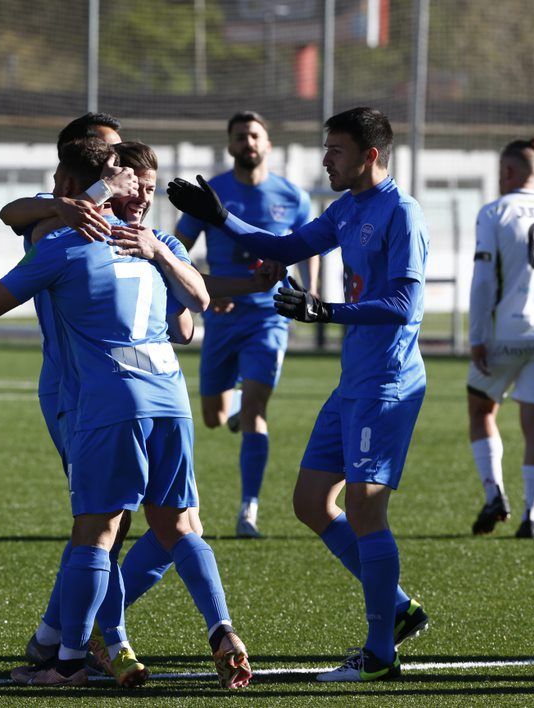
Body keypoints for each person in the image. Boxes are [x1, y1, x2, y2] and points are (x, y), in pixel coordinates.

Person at [0, 137, 253, 690]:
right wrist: (159, 256)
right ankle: (222, 630)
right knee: (180, 526)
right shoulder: (160, 243)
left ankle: (67, 661)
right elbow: (194, 313)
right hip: (170, 399)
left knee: (96, 531)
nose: (142, 189)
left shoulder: (64, 246)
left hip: (111, 402)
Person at [168, 106, 430, 682]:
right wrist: (221, 217)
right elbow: (285, 247)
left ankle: (380, 653)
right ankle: (400, 607)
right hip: (353, 384)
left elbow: (406, 305)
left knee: (364, 507)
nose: (325, 160)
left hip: (387, 383)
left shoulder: (400, 213)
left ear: (370, 156)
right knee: (311, 503)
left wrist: (324, 310)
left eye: (335, 151)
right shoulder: (346, 209)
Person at [175, 111, 314, 538]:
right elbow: (178, 248)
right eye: (240, 137)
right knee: (215, 416)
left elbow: (310, 248)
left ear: (267, 143)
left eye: (255, 135)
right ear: (230, 145)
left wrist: (311, 294)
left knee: (256, 409)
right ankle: (232, 409)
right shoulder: (211, 193)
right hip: (222, 316)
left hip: (269, 316)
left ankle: (248, 511)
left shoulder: (293, 196)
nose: (248, 142)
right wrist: (204, 291)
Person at [467, 137, 534, 540]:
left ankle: (494, 493)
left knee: (481, 411)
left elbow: (482, 281)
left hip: (505, 332)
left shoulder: (494, 212)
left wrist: (478, 335)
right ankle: (533, 517)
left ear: (509, 172)